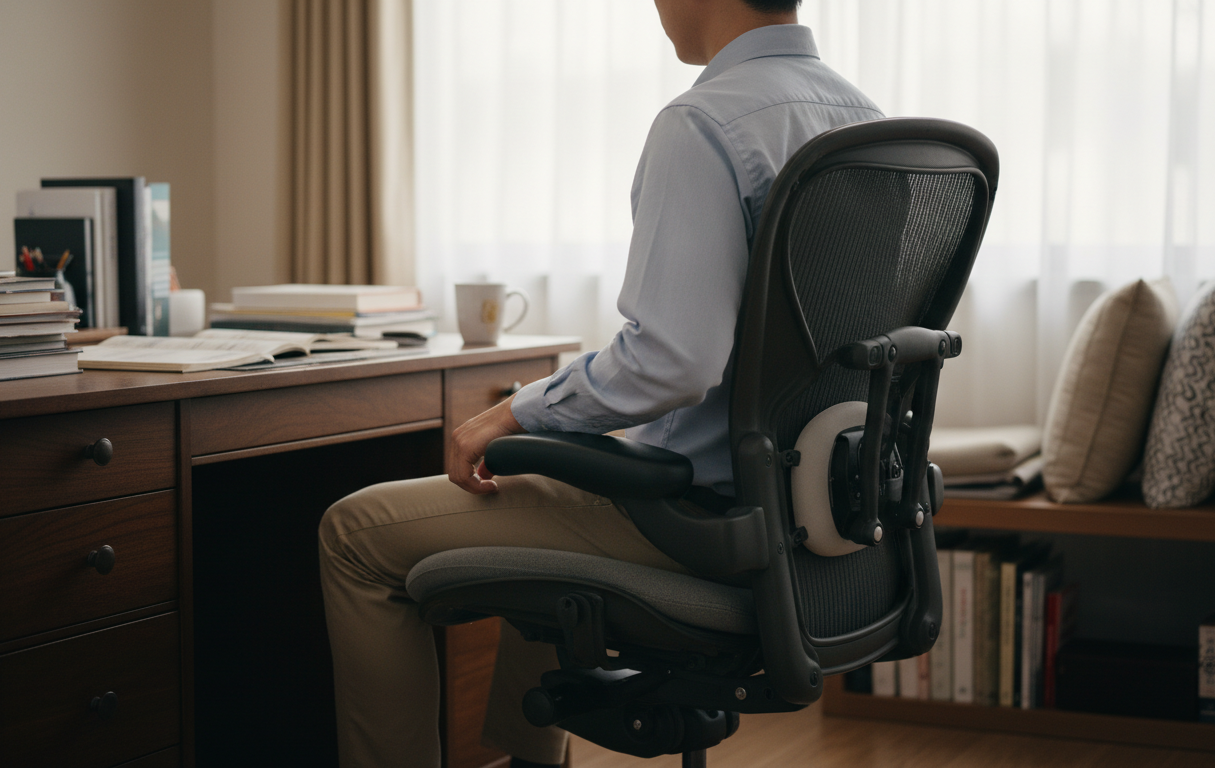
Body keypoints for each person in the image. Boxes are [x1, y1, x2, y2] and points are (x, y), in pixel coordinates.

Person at [317, 1, 882, 765]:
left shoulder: (705, 122)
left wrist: (517, 413)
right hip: (816, 521)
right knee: (541, 501)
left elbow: (674, 362)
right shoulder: (865, 123)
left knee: (353, 536)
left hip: (697, 519)